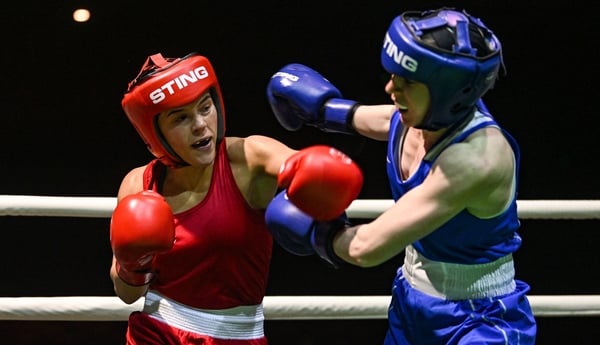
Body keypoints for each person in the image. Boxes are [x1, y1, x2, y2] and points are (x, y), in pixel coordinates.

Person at [264, 8, 537, 345]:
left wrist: (319, 233)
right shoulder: (424, 119)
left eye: (408, 82)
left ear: (447, 92)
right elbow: (386, 120)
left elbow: (367, 247)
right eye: (394, 75)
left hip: (479, 321)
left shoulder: (477, 160)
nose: (391, 88)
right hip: (413, 302)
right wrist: (324, 110)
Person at [109, 52, 363, 344]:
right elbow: (127, 294)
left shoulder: (248, 158)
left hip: (236, 336)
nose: (201, 125)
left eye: (205, 108)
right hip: (153, 333)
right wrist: (133, 263)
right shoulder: (138, 184)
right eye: (181, 118)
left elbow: (315, 170)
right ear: (153, 134)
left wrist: (318, 172)